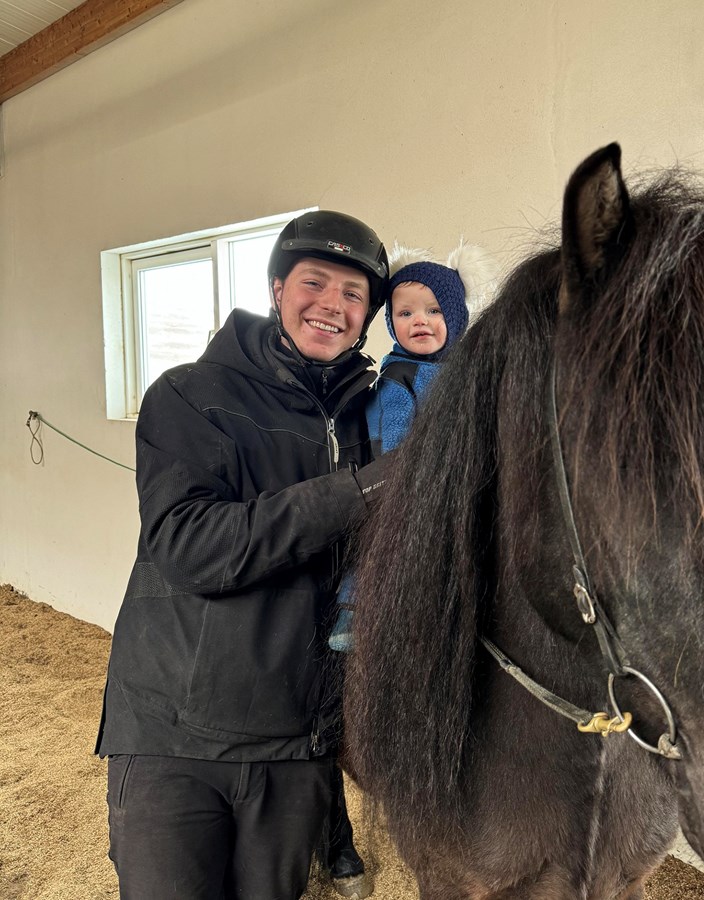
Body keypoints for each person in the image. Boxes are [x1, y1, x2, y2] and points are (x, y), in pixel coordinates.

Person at [95, 209, 390, 900]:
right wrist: (363, 489)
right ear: (278, 290)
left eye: (354, 295)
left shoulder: (368, 417)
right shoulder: (190, 394)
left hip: (297, 742)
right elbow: (192, 546)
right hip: (176, 736)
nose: (333, 306)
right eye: (315, 283)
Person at [329, 240, 497, 652]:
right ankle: (354, 616)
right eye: (405, 313)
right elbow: (396, 445)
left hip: (452, 486)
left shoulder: (462, 372)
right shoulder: (399, 378)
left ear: (456, 316)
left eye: (434, 311)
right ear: (391, 322)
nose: (419, 321)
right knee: (382, 553)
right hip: (402, 489)